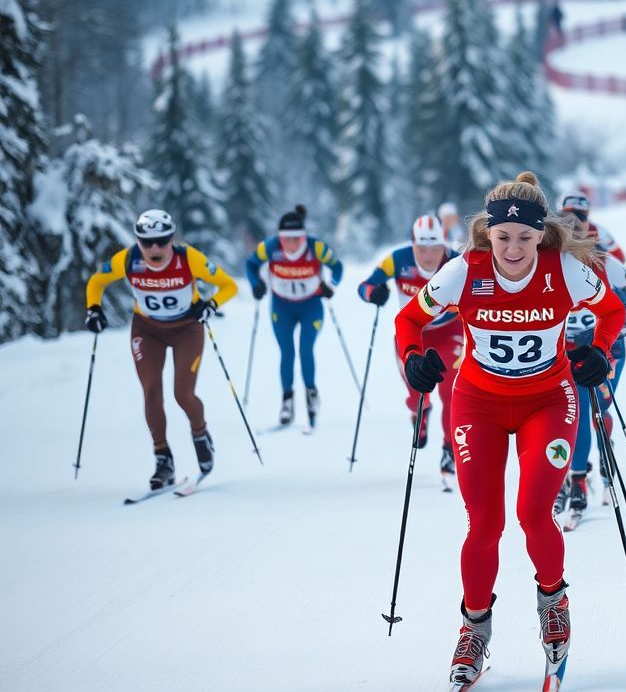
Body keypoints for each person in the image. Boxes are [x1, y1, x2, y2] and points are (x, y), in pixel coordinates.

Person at [394, 172, 625, 689]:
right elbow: (408, 321)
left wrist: (600, 355)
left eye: (525, 237)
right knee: (484, 524)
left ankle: (553, 603)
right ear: (487, 233)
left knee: (533, 513)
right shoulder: (462, 272)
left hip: (549, 399)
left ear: (541, 233)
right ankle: (474, 629)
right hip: (478, 403)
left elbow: (611, 310)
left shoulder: (564, 269)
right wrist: (414, 360)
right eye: (504, 237)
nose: (514, 248)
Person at [85, 209, 238, 489]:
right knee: (151, 390)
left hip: (186, 329)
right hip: (147, 330)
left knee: (183, 394)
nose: (154, 249)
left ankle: (201, 435)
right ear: (138, 241)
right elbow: (97, 281)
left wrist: (211, 305)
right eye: (147, 242)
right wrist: (93, 309)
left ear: (172, 238)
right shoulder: (128, 259)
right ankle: (162, 458)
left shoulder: (188, 257)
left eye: (162, 241)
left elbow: (228, 286)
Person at [358, 214, 463, 479]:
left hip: (449, 332)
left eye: (435, 247)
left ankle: (449, 449)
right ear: (412, 244)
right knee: (417, 387)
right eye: (422, 247)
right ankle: (420, 411)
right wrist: (374, 293)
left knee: (451, 391)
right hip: (411, 333)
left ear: (444, 244)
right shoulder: (398, 259)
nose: (428, 254)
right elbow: (365, 285)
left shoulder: (455, 261)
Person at [558, 237, 626, 521]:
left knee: (599, 406)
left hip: (607, 350)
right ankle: (577, 480)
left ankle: (604, 452)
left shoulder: (606, 264)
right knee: (576, 412)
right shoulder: (547, 269)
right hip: (569, 353)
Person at [246, 205, 343, 428]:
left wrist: (331, 285)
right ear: (280, 238)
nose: (291, 244)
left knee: (305, 348)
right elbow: (251, 264)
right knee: (287, 352)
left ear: (304, 236)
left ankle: (311, 394)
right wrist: (255, 284)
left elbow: (337, 267)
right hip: (282, 307)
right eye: (286, 239)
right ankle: (287, 401)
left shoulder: (315, 247)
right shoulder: (270, 247)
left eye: (297, 239)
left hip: (311, 305)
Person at [559, 190, 625, 262]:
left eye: (581, 215)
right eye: (570, 213)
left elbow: (619, 258)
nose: (575, 219)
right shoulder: (554, 230)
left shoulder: (597, 231)